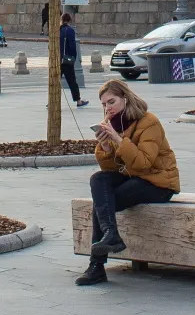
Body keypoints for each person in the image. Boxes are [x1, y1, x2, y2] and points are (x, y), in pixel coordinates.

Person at [76, 79, 180, 287]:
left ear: (125, 98)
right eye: (104, 104)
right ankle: (110, 234)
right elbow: (111, 171)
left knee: (104, 202)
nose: (108, 108)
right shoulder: (115, 125)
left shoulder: (148, 122)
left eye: (112, 101)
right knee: (98, 180)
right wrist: (105, 147)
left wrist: (118, 139)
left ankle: (96, 266)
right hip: (134, 177)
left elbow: (143, 163)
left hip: (159, 182)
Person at [59, 12, 83, 106]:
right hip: (66, 60)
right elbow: (72, 46)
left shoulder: (57, 30)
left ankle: (51, 102)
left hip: (57, 60)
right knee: (72, 81)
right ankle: (78, 101)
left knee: (55, 81)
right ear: (69, 20)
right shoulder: (69, 30)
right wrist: (74, 58)